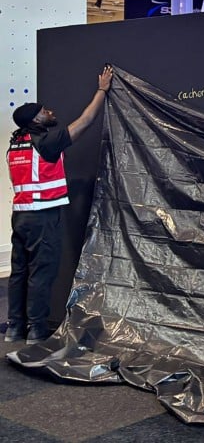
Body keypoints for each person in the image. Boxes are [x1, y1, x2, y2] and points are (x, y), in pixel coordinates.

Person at [5, 64, 113, 344]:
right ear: (35, 119)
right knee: (41, 274)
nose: (49, 112)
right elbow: (85, 122)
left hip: (21, 217)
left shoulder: (17, 144)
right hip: (42, 218)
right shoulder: (46, 143)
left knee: (19, 273)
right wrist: (102, 91)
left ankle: (16, 327)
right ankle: (37, 330)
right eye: (44, 110)